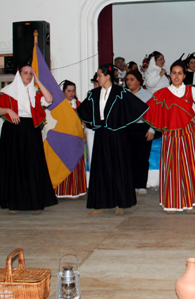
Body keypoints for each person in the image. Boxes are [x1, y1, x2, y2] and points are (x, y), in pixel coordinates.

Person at [142, 56, 195, 214]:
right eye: (174, 73)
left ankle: (189, 203)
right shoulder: (163, 93)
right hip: (170, 134)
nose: (176, 76)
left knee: (190, 166)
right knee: (171, 168)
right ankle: (171, 203)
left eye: (180, 73)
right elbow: (148, 109)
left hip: (188, 132)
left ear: (184, 75)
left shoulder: (191, 90)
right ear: (170, 74)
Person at [77, 63, 148, 215]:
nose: (97, 78)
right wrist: (91, 121)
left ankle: (119, 203)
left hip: (117, 134)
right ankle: (101, 203)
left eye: (99, 75)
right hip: (102, 134)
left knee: (118, 167)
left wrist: (122, 121)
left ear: (107, 76)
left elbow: (137, 107)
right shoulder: (94, 93)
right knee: (101, 167)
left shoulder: (120, 92)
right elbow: (83, 109)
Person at [0, 64, 57, 214]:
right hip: (13, 129)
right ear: (19, 74)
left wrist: (38, 81)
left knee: (33, 165)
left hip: (30, 129)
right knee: (15, 166)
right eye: (26, 73)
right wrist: (8, 110)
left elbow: (50, 99)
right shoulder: (7, 91)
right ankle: (15, 203)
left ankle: (36, 203)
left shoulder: (35, 91)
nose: (28, 76)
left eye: (31, 73)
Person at [123, 70, 155, 195]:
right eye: (127, 80)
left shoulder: (147, 95)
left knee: (142, 157)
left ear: (138, 81)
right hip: (127, 129)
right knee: (128, 158)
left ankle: (141, 184)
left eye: (132, 79)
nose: (129, 82)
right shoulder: (124, 95)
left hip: (143, 128)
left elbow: (154, 115)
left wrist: (152, 130)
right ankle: (130, 185)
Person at [54, 80, 87, 198]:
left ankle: (75, 190)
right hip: (63, 140)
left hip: (76, 140)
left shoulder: (78, 104)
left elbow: (85, 120)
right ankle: (60, 191)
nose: (71, 93)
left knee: (75, 164)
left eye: (73, 91)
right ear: (63, 92)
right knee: (62, 164)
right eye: (68, 91)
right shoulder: (58, 106)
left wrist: (84, 128)